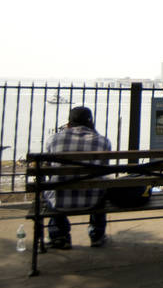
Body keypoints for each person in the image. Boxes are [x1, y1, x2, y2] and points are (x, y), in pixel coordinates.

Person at [44, 106, 112, 249]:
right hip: (93, 200)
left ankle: (59, 235)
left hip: (59, 201)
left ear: (69, 122)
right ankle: (97, 235)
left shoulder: (54, 139)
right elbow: (103, 170)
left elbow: (48, 169)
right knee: (101, 186)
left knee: (54, 187)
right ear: (91, 122)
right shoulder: (103, 141)